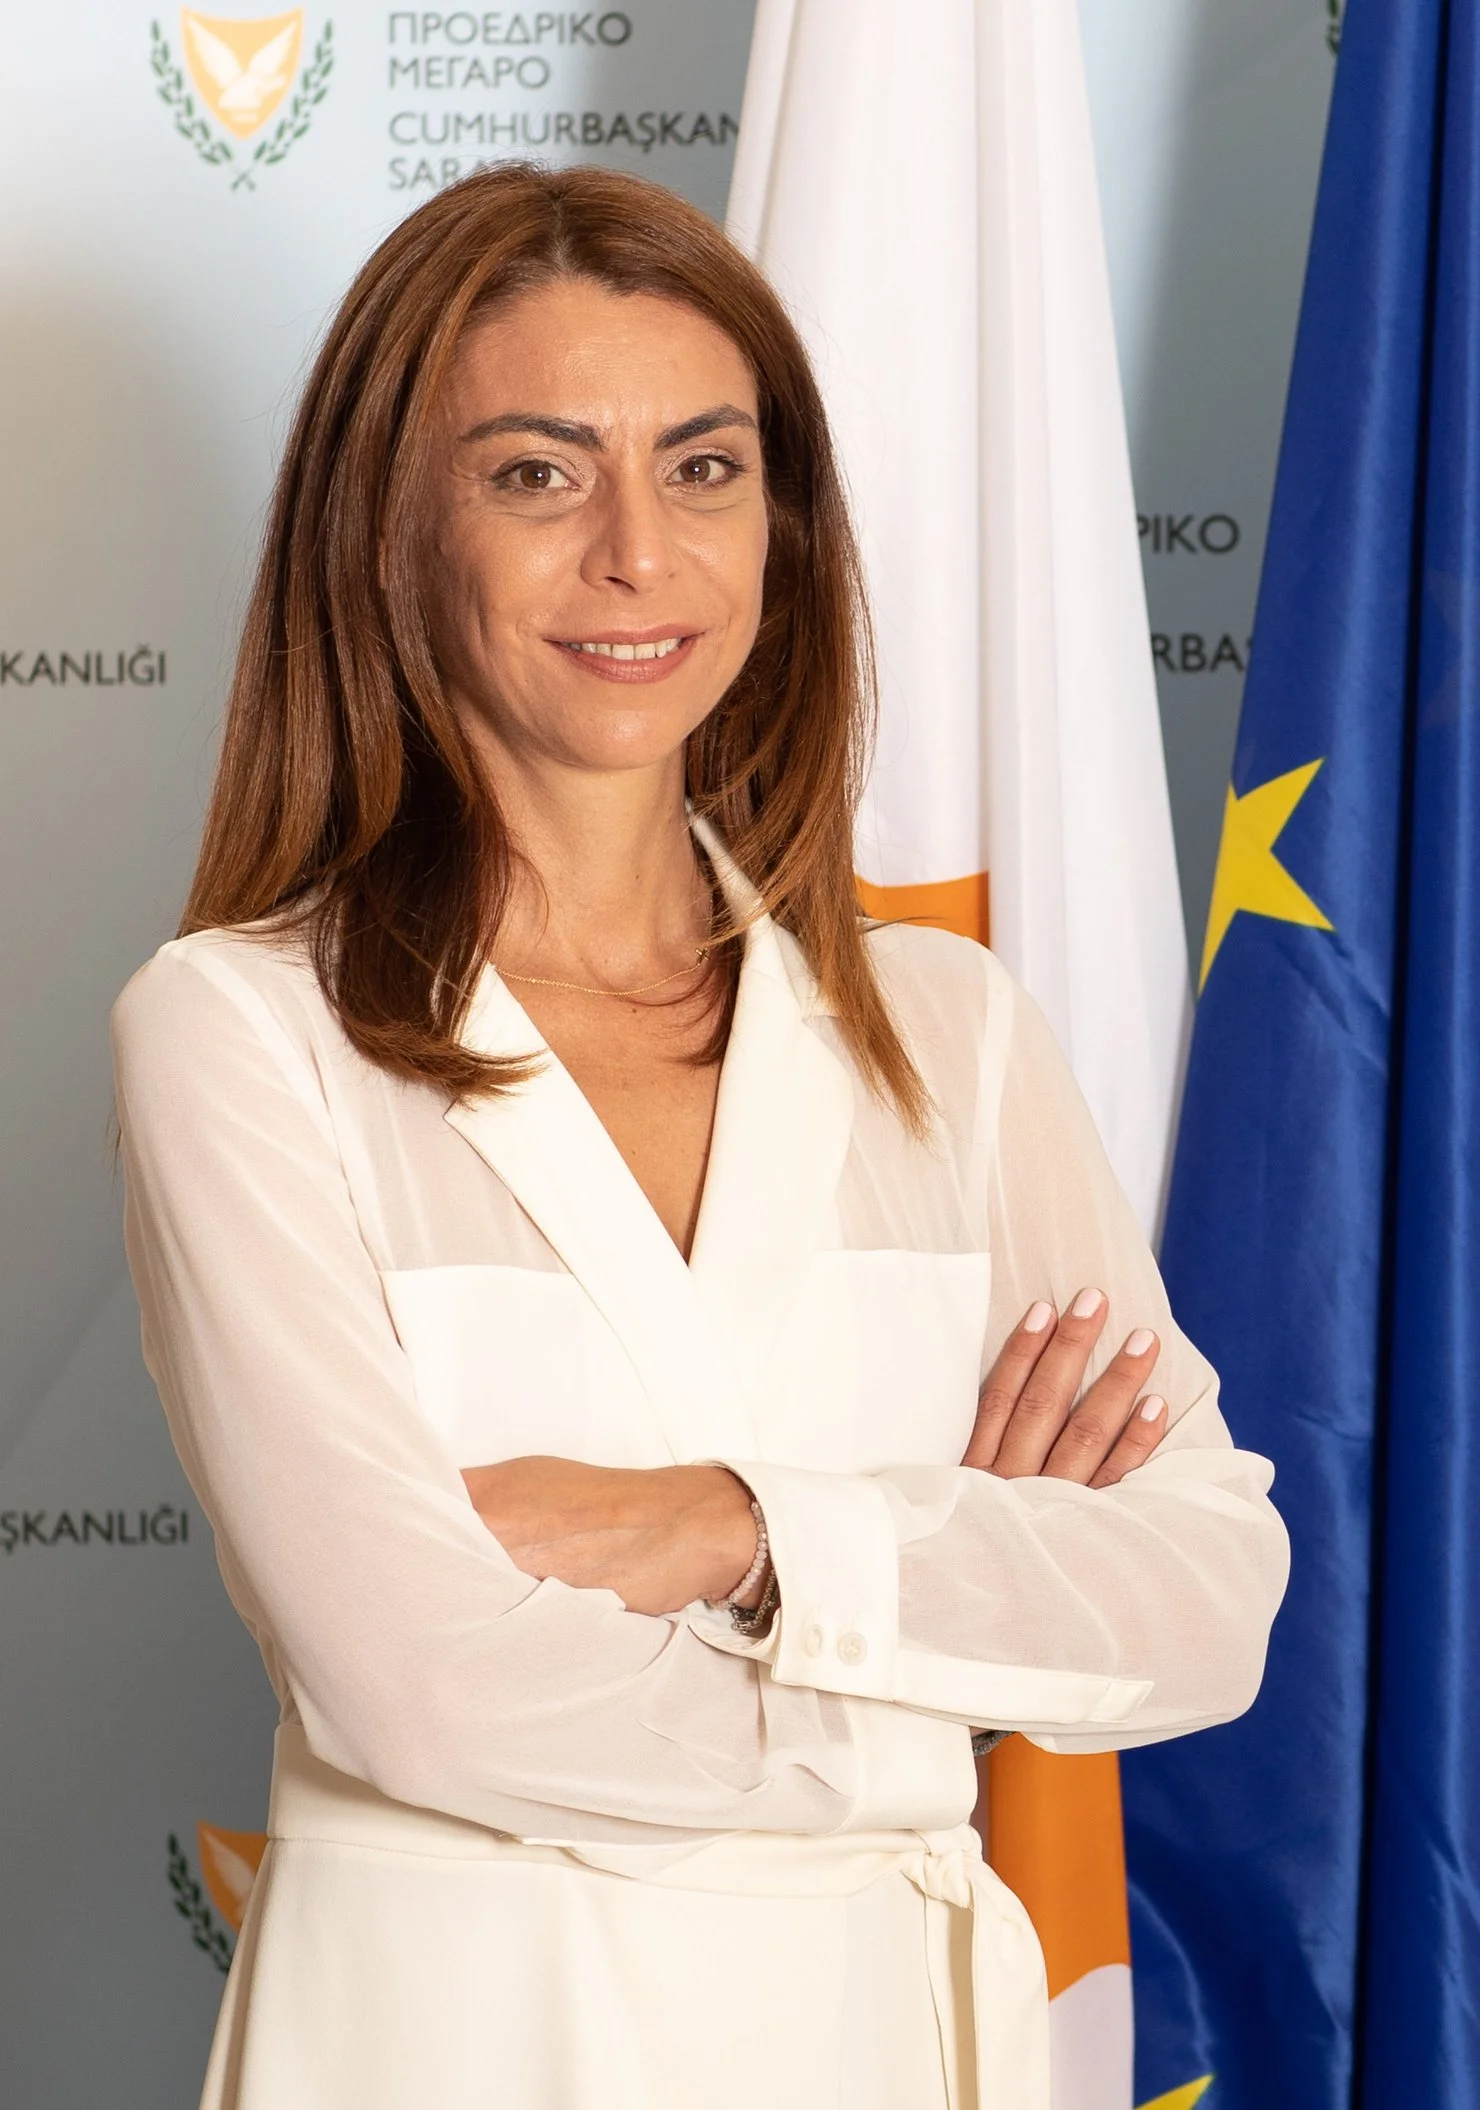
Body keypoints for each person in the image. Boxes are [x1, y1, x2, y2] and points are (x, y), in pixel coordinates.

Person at [111, 163, 1288, 2110]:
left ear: (784, 528)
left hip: (880, 2042)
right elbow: (429, 1688)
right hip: (453, 2044)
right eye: (537, 473)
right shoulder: (240, 1032)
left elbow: (1201, 1600)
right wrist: (933, 1658)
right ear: (390, 528)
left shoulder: (949, 1031)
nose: (638, 552)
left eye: (706, 468)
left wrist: (734, 1525)